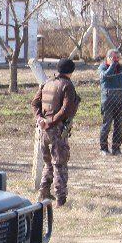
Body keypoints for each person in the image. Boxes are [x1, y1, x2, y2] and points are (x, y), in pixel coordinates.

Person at [31, 58, 80, 207]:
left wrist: (40, 119)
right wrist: (51, 121)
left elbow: (35, 103)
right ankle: (61, 199)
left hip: (43, 130)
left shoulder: (47, 83)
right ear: (71, 71)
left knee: (48, 163)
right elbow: (66, 110)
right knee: (60, 164)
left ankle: (44, 192)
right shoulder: (67, 86)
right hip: (57, 130)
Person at [97, 49, 122, 155]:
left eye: (118, 58)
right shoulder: (102, 68)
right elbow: (106, 76)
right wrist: (112, 65)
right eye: (114, 58)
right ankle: (103, 148)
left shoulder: (121, 69)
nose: (116, 61)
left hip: (120, 101)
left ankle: (116, 148)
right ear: (108, 58)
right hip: (108, 101)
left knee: (119, 126)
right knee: (107, 125)